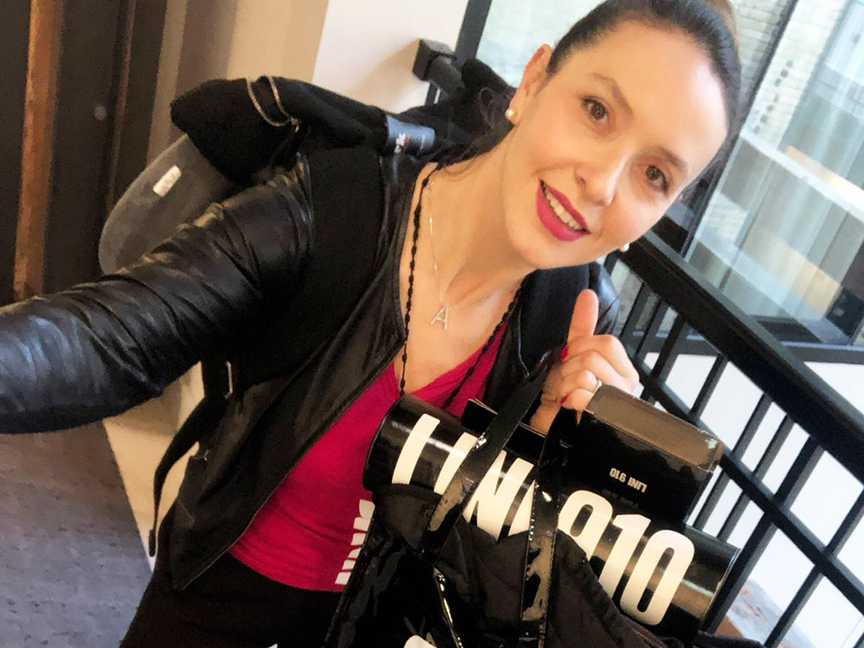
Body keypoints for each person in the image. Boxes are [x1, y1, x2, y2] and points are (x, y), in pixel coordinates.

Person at [0, 0, 741, 646]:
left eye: (655, 175)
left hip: (384, 620)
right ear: (535, 81)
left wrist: (572, 460)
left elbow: (520, 583)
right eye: (597, 110)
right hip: (223, 583)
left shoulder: (573, 325)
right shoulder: (335, 211)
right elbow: (109, 338)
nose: (603, 184)